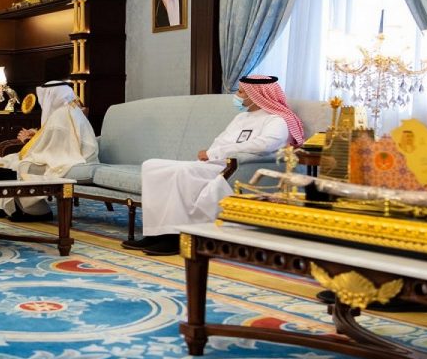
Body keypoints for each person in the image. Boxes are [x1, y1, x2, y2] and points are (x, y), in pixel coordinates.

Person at [123, 75, 304, 256]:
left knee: (182, 172)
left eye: (241, 92)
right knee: (152, 166)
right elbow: (220, 141)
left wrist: (214, 154)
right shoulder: (241, 118)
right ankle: (155, 233)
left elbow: (265, 145)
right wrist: (211, 154)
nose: (237, 95)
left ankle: (175, 237)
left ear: (257, 95)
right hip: (212, 164)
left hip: (233, 169)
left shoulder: (277, 120)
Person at [0, 81, 99, 221]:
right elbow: (54, 141)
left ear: (51, 95)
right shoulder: (68, 110)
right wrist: (35, 134)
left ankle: (38, 212)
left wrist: (26, 141)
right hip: (68, 155)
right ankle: (7, 207)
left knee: (19, 165)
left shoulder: (61, 115)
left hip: (71, 159)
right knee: (4, 161)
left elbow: (53, 147)